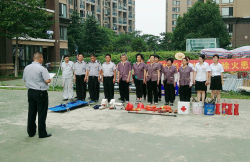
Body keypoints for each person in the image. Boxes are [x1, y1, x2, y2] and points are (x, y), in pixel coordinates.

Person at [23, 52, 52, 138]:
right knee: (42, 113)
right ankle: (42, 133)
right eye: (42, 59)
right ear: (40, 58)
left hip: (31, 92)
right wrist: (49, 79)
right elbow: (47, 80)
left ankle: (31, 132)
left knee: (31, 112)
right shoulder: (42, 68)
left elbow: (25, 80)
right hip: (40, 92)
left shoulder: (26, 68)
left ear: (33, 58)